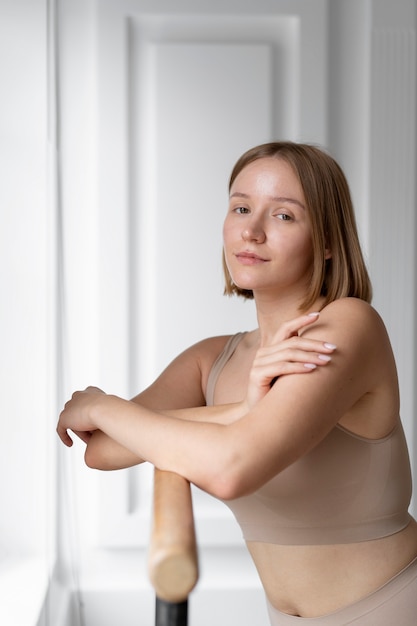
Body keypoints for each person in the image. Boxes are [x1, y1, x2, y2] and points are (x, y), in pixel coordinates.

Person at [57, 141, 417, 624]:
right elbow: (101, 450)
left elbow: (231, 469)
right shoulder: (212, 360)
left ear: (328, 241)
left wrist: (101, 405)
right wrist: (238, 410)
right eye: (241, 207)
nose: (251, 230)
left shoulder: (346, 327)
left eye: (284, 216)